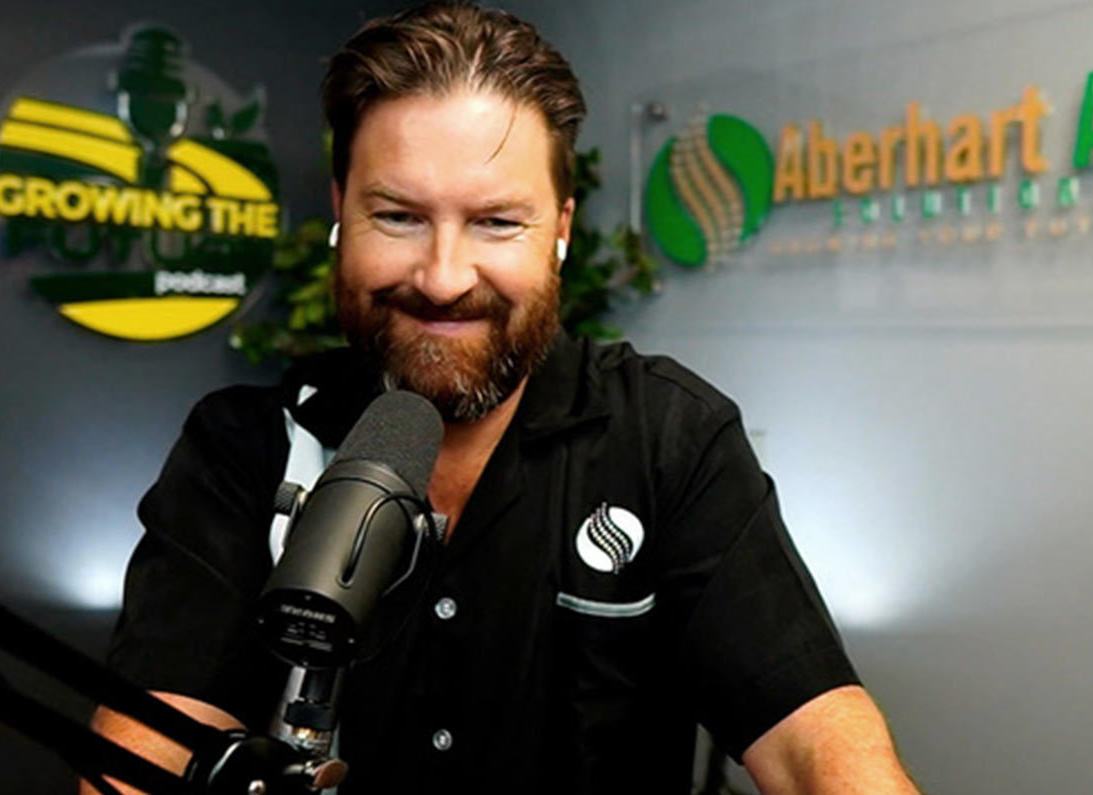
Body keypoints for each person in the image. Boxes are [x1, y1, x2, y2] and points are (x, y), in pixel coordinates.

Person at [90, 3, 919, 793]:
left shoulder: (669, 438)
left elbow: (815, 737)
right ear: (342, 209)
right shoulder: (247, 447)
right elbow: (143, 756)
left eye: (496, 223)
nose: (444, 278)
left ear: (560, 229)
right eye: (400, 216)